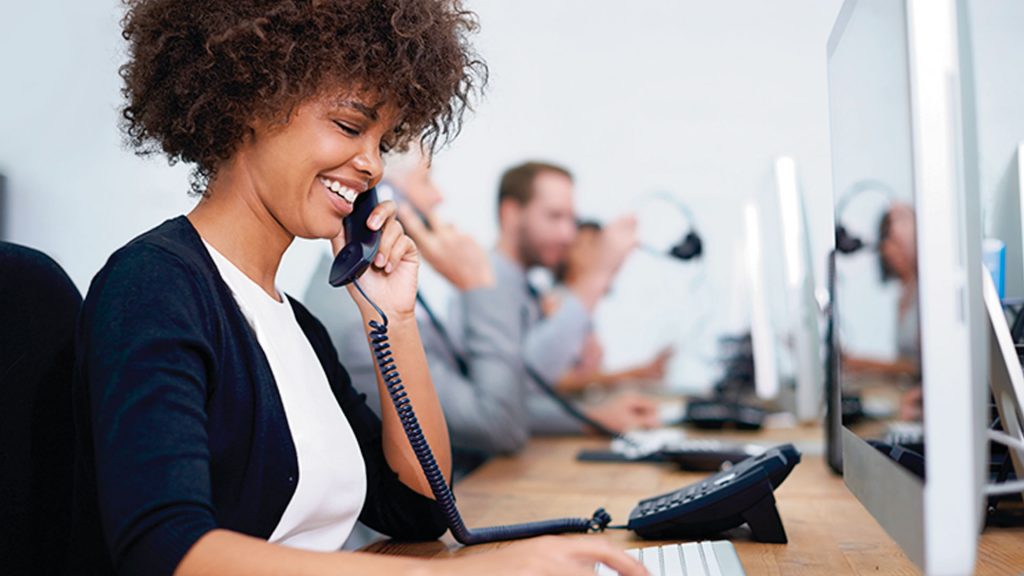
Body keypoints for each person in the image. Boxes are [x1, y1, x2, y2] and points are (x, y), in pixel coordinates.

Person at [67, 2, 644, 575]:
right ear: (250, 102)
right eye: (350, 126)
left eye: (382, 141)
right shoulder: (153, 287)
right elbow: (166, 548)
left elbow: (418, 507)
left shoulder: (296, 325)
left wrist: (394, 319)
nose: (371, 165)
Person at [304, 146, 527, 477]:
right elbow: (498, 426)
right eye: (427, 180)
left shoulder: (386, 290)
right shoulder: (359, 322)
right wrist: (478, 286)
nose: (438, 197)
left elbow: (501, 402)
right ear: (383, 196)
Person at [493, 162, 660, 435]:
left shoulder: (521, 287)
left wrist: (595, 415)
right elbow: (526, 386)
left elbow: (525, 396)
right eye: (554, 216)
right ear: (511, 214)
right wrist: (598, 275)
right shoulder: (487, 283)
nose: (568, 234)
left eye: (570, 219)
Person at [547, 222, 673, 394]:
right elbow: (560, 380)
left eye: (600, 246)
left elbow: (589, 377)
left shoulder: (584, 309)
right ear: (567, 253)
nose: (595, 254)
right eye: (588, 244)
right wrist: (636, 373)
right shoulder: (555, 305)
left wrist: (640, 374)